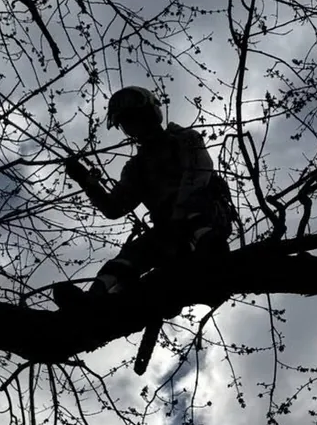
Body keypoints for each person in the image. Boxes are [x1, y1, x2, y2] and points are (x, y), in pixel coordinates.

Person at [53, 87, 234, 305]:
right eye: (128, 122)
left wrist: (178, 215)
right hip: (169, 233)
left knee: (194, 212)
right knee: (129, 256)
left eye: (137, 118)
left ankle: (211, 253)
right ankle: (93, 301)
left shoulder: (184, 138)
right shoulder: (137, 167)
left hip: (207, 218)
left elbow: (198, 174)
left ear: (150, 114)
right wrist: (86, 181)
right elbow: (114, 207)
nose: (135, 126)